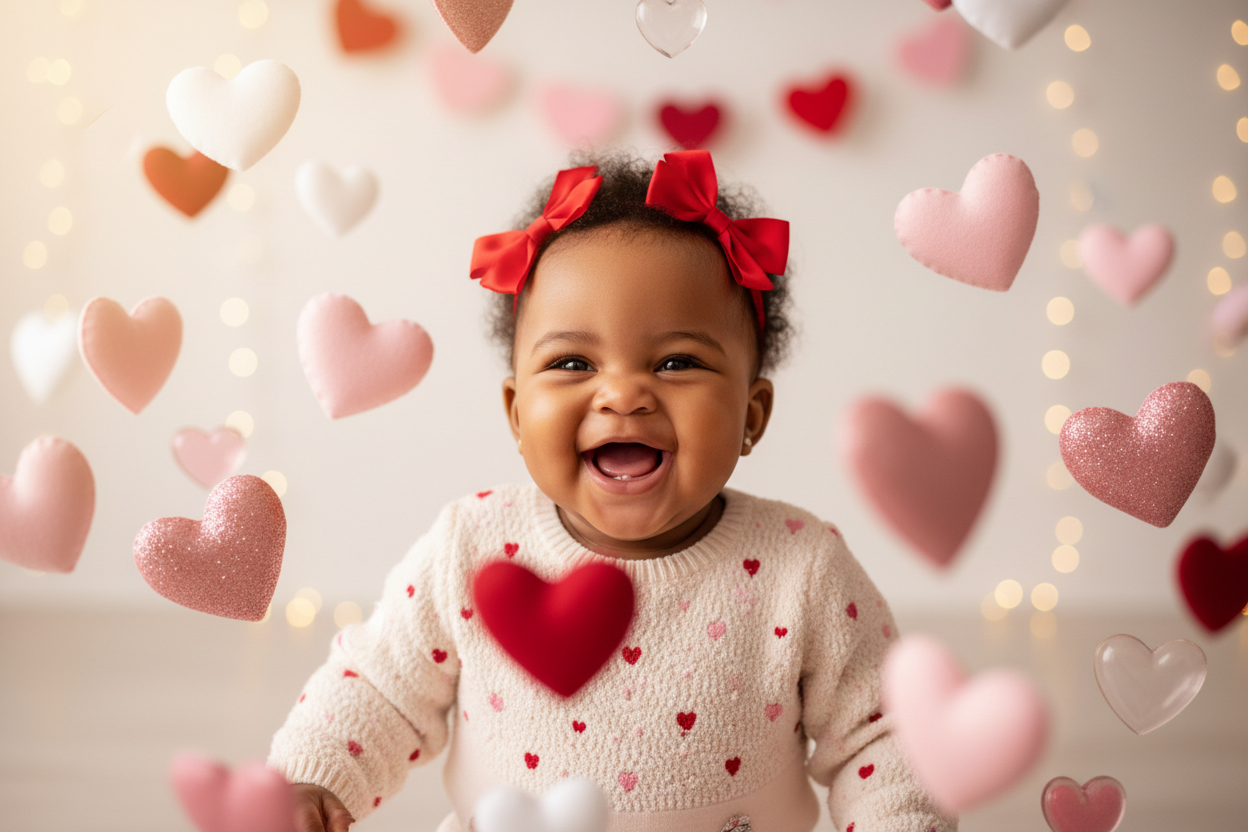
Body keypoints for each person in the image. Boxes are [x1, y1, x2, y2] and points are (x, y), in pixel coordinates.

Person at [270, 149, 955, 832]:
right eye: (572, 362)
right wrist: (310, 780)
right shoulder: (472, 546)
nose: (623, 392)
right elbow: (380, 689)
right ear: (515, 412)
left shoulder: (800, 567)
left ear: (752, 416)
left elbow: (883, 739)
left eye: (677, 362)